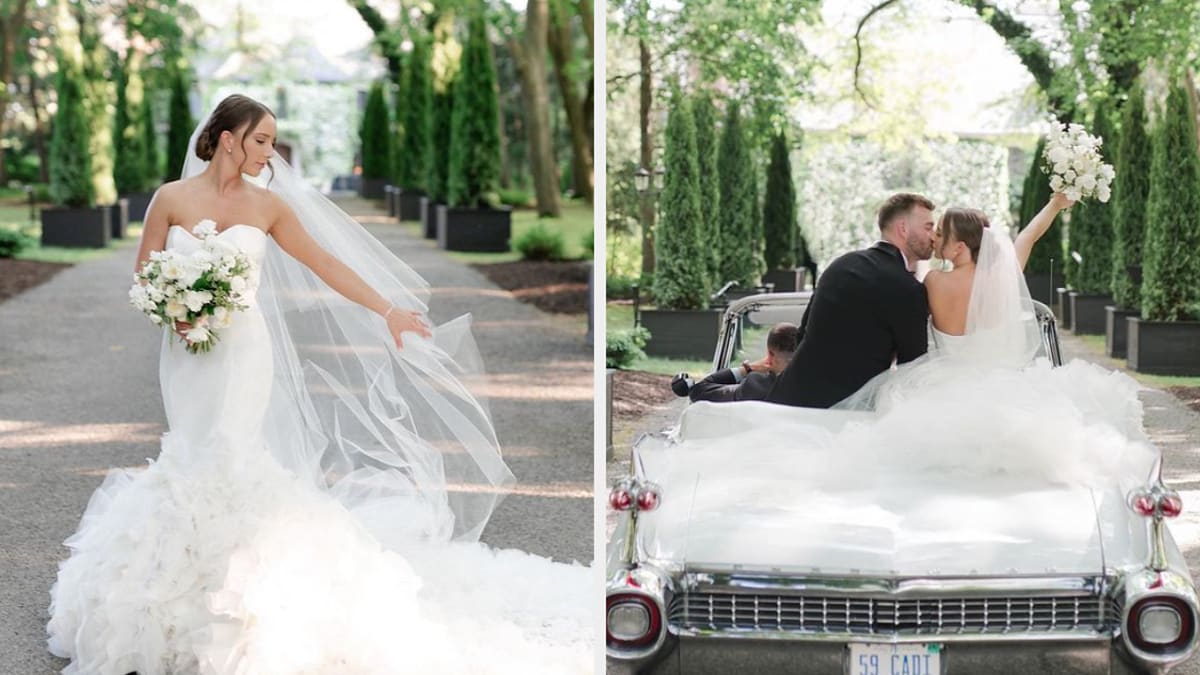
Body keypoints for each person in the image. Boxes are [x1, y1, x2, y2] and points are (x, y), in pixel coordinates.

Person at [46, 95, 589, 674]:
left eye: (272, 142)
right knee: (189, 450)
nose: (269, 152)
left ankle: (239, 591)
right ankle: (173, 588)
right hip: (185, 350)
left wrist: (388, 311)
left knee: (232, 452)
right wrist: (173, 307)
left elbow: (325, 262)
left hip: (244, 350)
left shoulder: (270, 207)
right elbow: (144, 272)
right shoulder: (171, 199)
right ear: (227, 138)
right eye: (260, 141)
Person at [766, 193, 935, 408]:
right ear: (903, 228)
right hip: (843, 415)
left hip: (788, 398)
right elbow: (912, 370)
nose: (933, 237)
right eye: (928, 227)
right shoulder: (909, 289)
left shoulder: (841, 264)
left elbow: (802, 333)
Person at [672, 323, 799, 403]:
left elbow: (699, 391)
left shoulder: (755, 386)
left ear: (770, 355)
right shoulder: (816, 387)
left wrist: (748, 368)